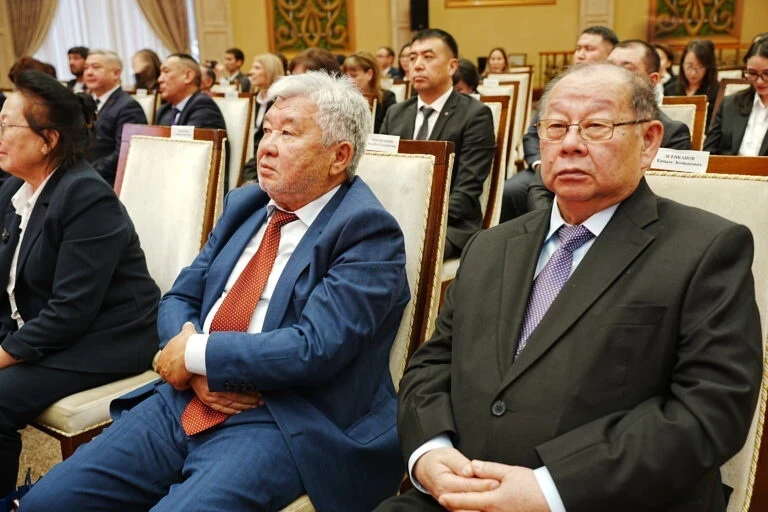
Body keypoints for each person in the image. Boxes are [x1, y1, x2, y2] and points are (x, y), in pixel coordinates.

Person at [376, 62, 762, 512]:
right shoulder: (491, 246)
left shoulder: (706, 250)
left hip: (605, 498)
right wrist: (430, 451)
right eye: (556, 127)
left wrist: (549, 488)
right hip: (462, 488)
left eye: (597, 126)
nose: (571, 144)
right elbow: (432, 363)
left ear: (649, 141)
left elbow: (710, 411)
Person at [22, 71, 410, 512]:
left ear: (339, 156)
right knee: (46, 503)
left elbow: (314, 347)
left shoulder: (367, 231)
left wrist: (194, 355)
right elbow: (179, 297)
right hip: (186, 395)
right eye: (266, 130)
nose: (266, 146)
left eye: (288, 134)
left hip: (281, 417)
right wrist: (194, 368)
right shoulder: (246, 204)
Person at [0, 70, 160, 497]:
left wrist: (3, 354)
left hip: (106, 338)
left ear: (48, 140)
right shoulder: (15, 190)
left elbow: (70, 311)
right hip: (48, 326)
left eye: (7, 126)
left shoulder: (86, 196)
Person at [526, 40, 693, 212]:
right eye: (610, 67)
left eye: (596, 125)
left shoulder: (671, 132)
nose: (569, 144)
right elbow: (539, 188)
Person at [381, 28, 496, 259]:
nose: (417, 65)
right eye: (412, 58)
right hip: (394, 220)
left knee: (394, 254)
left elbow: (466, 192)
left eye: (428, 57)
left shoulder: (474, 115)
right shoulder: (396, 113)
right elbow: (381, 175)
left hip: (449, 225)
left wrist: (415, 220)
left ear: (452, 66)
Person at [500, 25, 618, 222]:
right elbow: (532, 135)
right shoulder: (558, 87)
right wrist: (539, 163)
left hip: (593, 164)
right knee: (510, 190)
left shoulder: (618, 92)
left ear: (610, 53)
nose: (580, 54)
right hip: (548, 164)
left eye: (589, 49)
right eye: (578, 48)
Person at [84, 50, 147, 186]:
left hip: (108, 181)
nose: (88, 72)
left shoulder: (128, 107)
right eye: (86, 67)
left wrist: (87, 173)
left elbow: (124, 153)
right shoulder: (86, 102)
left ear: (116, 73)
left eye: (95, 67)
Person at [705, 37, 768, 155]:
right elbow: (709, 152)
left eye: (767, 73)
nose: (759, 81)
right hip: (727, 166)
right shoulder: (730, 104)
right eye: (752, 73)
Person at [241, 52, 285, 182]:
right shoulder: (249, 101)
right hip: (246, 159)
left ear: (270, 71)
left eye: (257, 68)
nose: (251, 72)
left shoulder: (281, 102)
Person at [155, 53, 226, 130]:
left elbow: (189, 138)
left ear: (188, 76)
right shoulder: (165, 110)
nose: (159, 79)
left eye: (166, 72)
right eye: (160, 73)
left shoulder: (203, 105)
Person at [665, 39, 719, 124]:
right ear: (682, 64)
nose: (693, 73)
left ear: (708, 67)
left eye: (700, 67)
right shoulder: (669, 90)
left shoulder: (717, 91)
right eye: (689, 66)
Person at [345, 51, 396, 133]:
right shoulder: (344, 99)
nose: (348, 80)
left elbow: (390, 132)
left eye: (354, 75)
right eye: (346, 76)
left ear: (369, 74)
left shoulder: (387, 99)